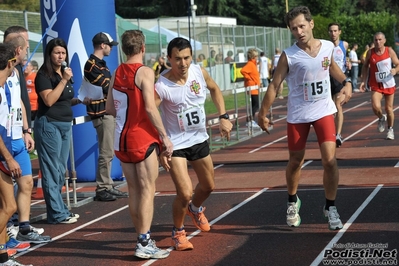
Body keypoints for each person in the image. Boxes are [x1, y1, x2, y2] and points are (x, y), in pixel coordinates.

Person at [257, 6, 352, 231]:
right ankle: (292, 200)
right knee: (295, 161)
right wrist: (262, 113)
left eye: (301, 26)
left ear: (311, 24)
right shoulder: (289, 55)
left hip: (323, 111)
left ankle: (331, 207)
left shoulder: (327, 47)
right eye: (293, 28)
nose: (298, 31)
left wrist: (346, 82)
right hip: (298, 114)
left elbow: (333, 69)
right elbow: (275, 84)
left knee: (330, 160)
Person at [155, 37, 233, 250]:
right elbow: (150, 113)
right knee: (185, 192)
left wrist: (224, 116)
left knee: (208, 186)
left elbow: (215, 89)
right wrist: (161, 143)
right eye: (177, 59)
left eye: (187, 58)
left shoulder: (199, 72)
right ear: (169, 58)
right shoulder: (162, 85)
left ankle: (195, 209)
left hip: (199, 139)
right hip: (176, 144)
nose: (183, 64)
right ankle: (178, 232)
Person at [105, 30, 173, 259]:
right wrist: (164, 136)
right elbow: (150, 107)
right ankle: (144, 241)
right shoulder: (144, 72)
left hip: (120, 140)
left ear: (124, 49)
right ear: (143, 48)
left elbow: (110, 109)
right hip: (141, 138)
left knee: (134, 190)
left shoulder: (116, 72)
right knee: (148, 190)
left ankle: (142, 238)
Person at [4, 34, 50, 247]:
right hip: (3, 141)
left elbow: (20, 103)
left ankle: (23, 227)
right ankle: (7, 235)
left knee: (27, 182)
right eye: (25, 48)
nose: (27, 52)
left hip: (16, 137)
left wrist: (26, 130)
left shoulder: (15, 74)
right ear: (17, 51)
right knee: (6, 203)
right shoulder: (3, 74)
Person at [34, 38, 81, 224]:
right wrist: (64, 80)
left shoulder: (64, 72)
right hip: (49, 125)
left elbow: (63, 100)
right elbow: (49, 100)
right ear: (49, 54)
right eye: (57, 53)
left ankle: (60, 210)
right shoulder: (43, 75)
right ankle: (56, 214)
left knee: (60, 170)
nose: (61, 56)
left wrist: (79, 100)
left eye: (63, 53)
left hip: (64, 124)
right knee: (52, 170)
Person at [83, 32, 128, 202]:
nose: (111, 48)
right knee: (106, 151)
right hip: (101, 112)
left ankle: (107, 184)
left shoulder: (100, 64)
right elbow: (108, 85)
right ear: (102, 45)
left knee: (108, 150)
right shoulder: (92, 64)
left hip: (105, 111)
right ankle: (102, 187)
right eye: (109, 45)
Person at [0, 42, 33, 266]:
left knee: (5, 207)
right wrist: (9, 158)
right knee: (9, 207)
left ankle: (3, 257)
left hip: (6, 149)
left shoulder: (4, 88)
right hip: (3, 153)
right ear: (10, 63)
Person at [360, 32, 399, 140]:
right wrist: (363, 81)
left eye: (380, 39)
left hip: (389, 83)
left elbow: (398, 63)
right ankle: (381, 118)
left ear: (384, 40)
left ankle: (390, 129)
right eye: (376, 40)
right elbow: (365, 66)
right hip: (376, 84)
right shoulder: (370, 53)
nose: (378, 42)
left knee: (389, 108)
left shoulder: (389, 51)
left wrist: (395, 70)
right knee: (375, 106)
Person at [328, 22, 350, 147]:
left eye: (335, 31)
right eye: (331, 31)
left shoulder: (344, 45)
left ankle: (338, 134)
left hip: (339, 79)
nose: (333, 33)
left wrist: (348, 63)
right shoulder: (325, 46)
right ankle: (330, 132)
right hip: (327, 79)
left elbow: (344, 58)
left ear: (339, 32)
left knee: (338, 106)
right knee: (328, 109)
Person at [241, 48, 261, 128]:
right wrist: (249, 78)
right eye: (256, 56)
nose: (257, 58)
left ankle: (251, 119)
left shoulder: (253, 64)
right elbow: (243, 71)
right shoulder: (250, 64)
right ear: (253, 57)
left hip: (255, 87)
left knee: (255, 105)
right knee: (256, 105)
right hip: (252, 87)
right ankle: (250, 120)